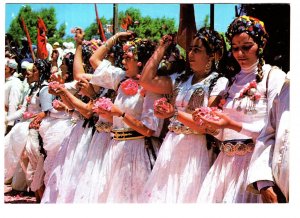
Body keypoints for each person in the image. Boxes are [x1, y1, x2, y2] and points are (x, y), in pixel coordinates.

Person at [194, 15, 287, 203]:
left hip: (254, 168)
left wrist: (233, 124)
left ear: (260, 45)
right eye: (235, 48)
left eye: (246, 47)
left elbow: (277, 131)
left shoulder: (273, 77)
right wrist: (211, 125)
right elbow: (223, 133)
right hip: (223, 167)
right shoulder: (232, 81)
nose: (240, 54)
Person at [138, 27, 227, 203]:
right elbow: (146, 80)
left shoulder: (219, 82)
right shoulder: (180, 79)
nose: (191, 54)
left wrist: (175, 113)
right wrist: (161, 48)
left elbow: (207, 125)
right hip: (171, 146)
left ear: (211, 55)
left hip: (196, 149)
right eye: (190, 49)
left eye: (197, 50)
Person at [87, 31, 163, 203]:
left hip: (138, 151)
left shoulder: (152, 87)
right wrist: (116, 38)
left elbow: (149, 130)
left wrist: (120, 114)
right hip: (115, 148)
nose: (122, 61)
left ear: (140, 62)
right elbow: (94, 61)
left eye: (127, 57)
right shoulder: (121, 78)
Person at [247, 73, 289, 203]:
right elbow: (269, 133)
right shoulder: (287, 87)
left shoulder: (276, 77)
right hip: (280, 190)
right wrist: (264, 181)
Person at [4, 58, 23, 135]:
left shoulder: (15, 83)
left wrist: (10, 124)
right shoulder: (5, 81)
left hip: (5, 120)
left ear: (11, 70)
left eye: (5, 68)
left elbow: (13, 103)